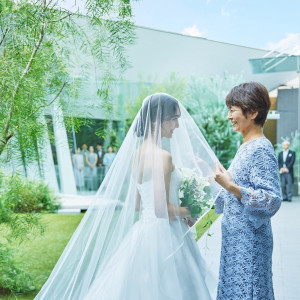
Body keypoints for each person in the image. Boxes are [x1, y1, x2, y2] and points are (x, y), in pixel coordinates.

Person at [35, 93, 219, 299]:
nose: (177, 125)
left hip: (144, 233)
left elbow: (137, 204)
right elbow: (161, 210)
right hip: (167, 237)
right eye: (174, 119)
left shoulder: (137, 154)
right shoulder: (162, 157)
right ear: (157, 120)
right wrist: (189, 211)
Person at [214, 82, 281, 299]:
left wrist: (231, 186)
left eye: (232, 110)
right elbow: (234, 195)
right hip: (236, 242)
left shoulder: (260, 148)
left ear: (253, 112)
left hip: (249, 245)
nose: (228, 116)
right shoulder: (245, 146)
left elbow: (271, 200)